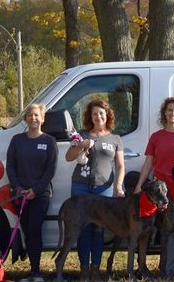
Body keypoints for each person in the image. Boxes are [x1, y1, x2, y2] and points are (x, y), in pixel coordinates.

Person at [133, 96, 174, 278]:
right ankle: (167, 270)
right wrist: (139, 185)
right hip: (160, 191)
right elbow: (148, 163)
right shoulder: (156, 137)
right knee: (165, 231)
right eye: (170, 110)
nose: (173, 113)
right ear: (164, 113)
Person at [65, 99, 125, 281]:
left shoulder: (115, 139)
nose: (98, 116)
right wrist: (81, 146)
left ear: (107, 115)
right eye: (94, 114)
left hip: (103, 190)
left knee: (98, 231)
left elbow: (120, 165)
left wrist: (118, 185)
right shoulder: (81, 135)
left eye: (101, 113)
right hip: (81, 186)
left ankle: (95, 270)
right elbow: (68, 157)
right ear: (90, 117)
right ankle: (83, 270)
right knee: (82, 230)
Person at [6, 103, 58, 282]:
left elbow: (50, 170)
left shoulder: (49, 142)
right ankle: (32, 269)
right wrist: (19, 188)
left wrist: (35, 190)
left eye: (36, 115)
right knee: (27, 231)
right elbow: (10, 167)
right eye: (29, 115)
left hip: (41, 194)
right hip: (20, 194)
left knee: (35, 229)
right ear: (25, 119)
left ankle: (36, 272)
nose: (33, 118)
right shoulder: (17, 140)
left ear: (42, 118)